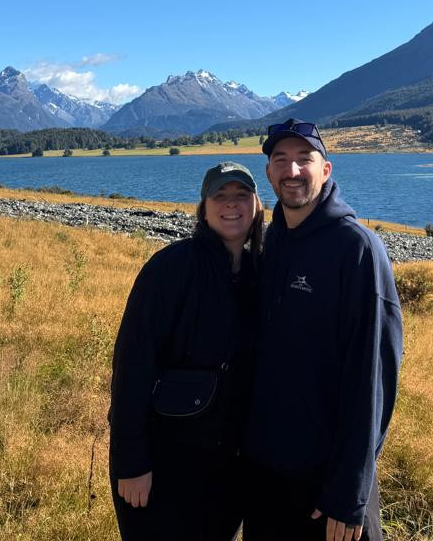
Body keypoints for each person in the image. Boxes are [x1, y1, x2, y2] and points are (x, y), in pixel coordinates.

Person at [243, 119, 403, 541]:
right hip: (267, 476)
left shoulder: (357, 249)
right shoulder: (272, 241)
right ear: (269, 174)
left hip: (329, 488)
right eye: (281, 160)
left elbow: (374, 378)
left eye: (303, 160)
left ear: (326, 170)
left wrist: (349, 492)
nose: (292, 171)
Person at [107, 161, 262, 541]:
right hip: (163, 464)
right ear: (203, 208)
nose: (231, 205)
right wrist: (131, 462)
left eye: (241, 196)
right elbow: (132, 365)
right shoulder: (171, 268)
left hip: (227, 470)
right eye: (220, 196)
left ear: (257, 206)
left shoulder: (262, 273)